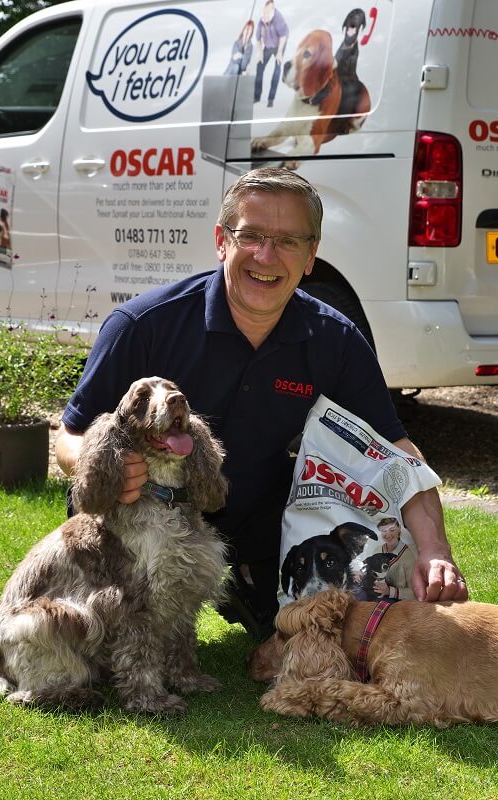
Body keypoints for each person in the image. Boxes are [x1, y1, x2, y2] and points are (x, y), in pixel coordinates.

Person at [56, 167, 467, 639]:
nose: (266, 256)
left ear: (312, 255)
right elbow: (69, 436)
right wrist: (111, 465)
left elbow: (396, 451)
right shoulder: (143, 325)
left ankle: (248, 583)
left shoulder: (336, 341)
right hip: (139, 518)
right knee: (109, 647)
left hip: (253, 522)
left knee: (322, 633)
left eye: (288, 241)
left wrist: (435, 549)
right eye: (250, 235)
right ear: (221, 240)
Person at [252, 0, 288, 107]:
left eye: (268, 13)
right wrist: (260, 53)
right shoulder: (261, 22)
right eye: (264, 13)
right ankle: (257, 96)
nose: (265, 15)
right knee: (259, 66)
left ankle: (271, 99)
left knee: (277, 69)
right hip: (268, 45)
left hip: (280, 44)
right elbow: (258, 39)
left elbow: (283, 36)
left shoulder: (278, 19)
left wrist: (280, 52)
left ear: (273, 11)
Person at [372, 517, 417, 600]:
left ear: (399, 529)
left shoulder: (408, 556)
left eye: (392, 530)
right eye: (384, 531)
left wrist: (390, 591)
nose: (388, 535)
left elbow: (416, 593)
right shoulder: (377, 550)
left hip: (398, 603)